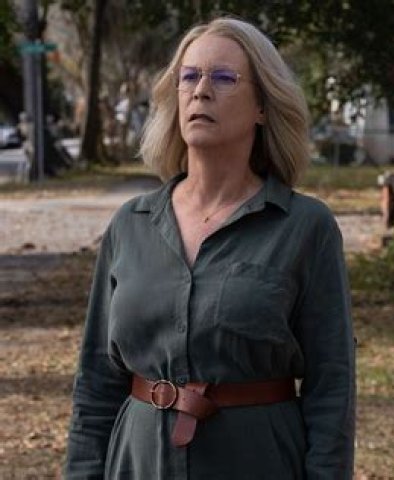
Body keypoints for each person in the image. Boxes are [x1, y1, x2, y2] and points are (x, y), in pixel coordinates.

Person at [65, 17, 355, 479]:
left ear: (262, 106)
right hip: (139, 462)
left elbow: (331, 385)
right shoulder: (130, 224)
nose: (200, 91)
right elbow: (97, 383)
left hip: (258, 462)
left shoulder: (305, 227)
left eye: (223, 77)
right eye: (189, 76)